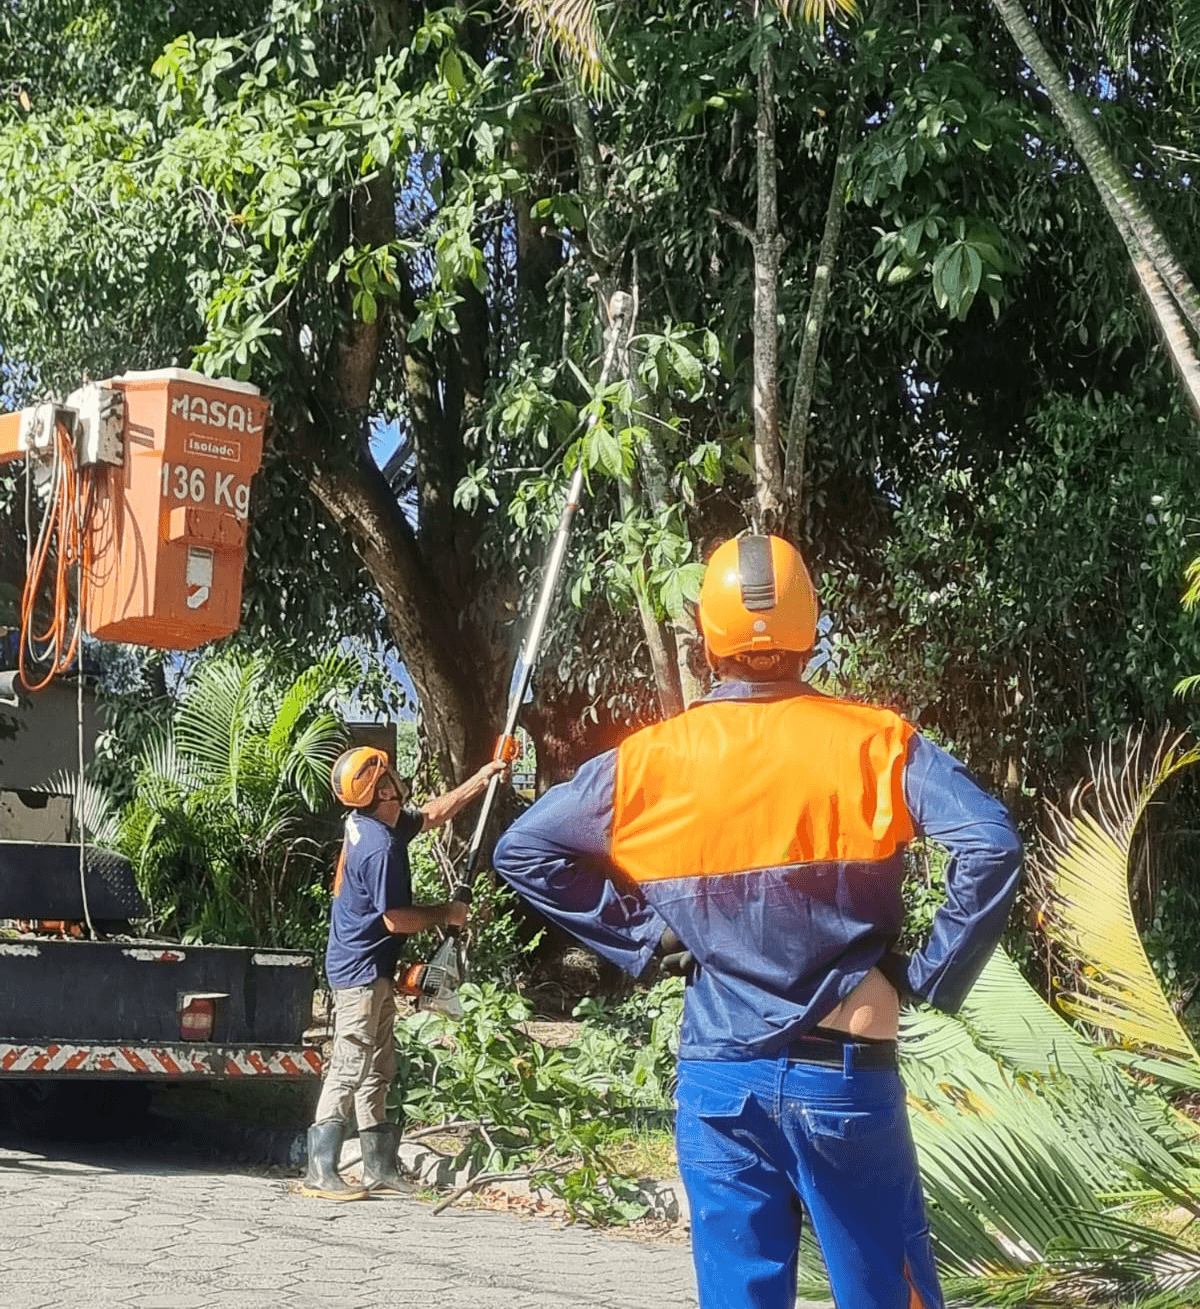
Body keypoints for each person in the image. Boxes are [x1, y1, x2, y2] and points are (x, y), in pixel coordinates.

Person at [493, 533, 1022, 1307]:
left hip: (719, 1075)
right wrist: (929, 975)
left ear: (708, 636)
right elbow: (991, 844)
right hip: (844, 1064)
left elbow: (523, 850)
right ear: (809, 626)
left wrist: (646, 936)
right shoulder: (875, 742)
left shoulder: (650, 761)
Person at [302, 745, 505, 1201]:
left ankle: (378, 1167)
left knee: (379, 1067)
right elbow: (395, 919)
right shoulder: (378, 847)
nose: (398, 777)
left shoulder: (379, 822)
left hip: (376, 968)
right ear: (381, 791)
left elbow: (432, 814)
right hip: (358, 971)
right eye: (389, 774)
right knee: (351, 1065)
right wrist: (447, 912)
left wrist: (483, 776)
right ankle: (321, 1170)